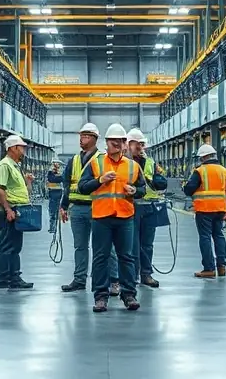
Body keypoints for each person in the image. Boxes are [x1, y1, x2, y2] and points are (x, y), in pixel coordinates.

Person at [77, 123, 146, 312]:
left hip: (125, 217)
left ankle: (129, 295)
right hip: (101, 217)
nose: (116, 144)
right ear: (106, 142)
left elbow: (142, 189)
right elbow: (82, 187)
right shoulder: (96, 163)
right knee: (101, 257)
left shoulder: (133, 166)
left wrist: (135, 191)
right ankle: (100, 297)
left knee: (127, 257)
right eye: (112, 141)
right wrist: (100, 180)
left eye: (120, 141)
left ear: (124, 143)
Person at [58, 122, 120, 294]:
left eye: (85, 136)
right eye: (81, 136)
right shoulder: (75, 160)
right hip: (77, 209)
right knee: (80, 246)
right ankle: (79, 279)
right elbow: (67, 184)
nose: (81, 139)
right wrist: (63, 206)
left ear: (94, 139)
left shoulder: (102, 159)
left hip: (97, 207)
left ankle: (114, 280)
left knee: (106, 247)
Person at [183, 143, 226, 279]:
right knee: (218, 235)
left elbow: (189, 189)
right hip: (220, 210)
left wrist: (185, 186)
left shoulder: (200, 171)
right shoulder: (225, 171)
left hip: (204, 209)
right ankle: (221, 267)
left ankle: (209, 268)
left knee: (205, 237)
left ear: (204, 157)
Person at [126, 128, 168, 287]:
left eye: (142, 144)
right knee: (133, 244)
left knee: (147, 244)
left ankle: (146, 274)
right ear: (129, 144)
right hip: (132, 207)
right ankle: (134, 275)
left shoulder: (150, 162)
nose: (141, 147)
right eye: (138, 144)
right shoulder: (125, 162)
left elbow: (161, 183)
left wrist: (152, 176)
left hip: (149, 208)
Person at [0, 134, 35, 290]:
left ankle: (14, 278)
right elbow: (0, 188)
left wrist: (28, 182)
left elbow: (23, 191)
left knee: (15, 246)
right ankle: (4, 280)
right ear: (13, 148)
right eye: (21, 147)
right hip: (9, 211)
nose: (23, 150)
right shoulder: (4, 165)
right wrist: (8, 209)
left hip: (17, 210)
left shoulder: (15, 166)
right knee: (7, 246)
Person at [47, 160, 64, 234]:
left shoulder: (61, 174)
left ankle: (54, 227)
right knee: (52, 211)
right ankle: (52, 227)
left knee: (55, 211)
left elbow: (57, 179)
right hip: (52, 193)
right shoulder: (50, 174)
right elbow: (51, 179)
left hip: (58, 193)